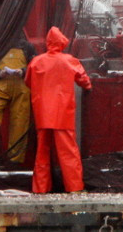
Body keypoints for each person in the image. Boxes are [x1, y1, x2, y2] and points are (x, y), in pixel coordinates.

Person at [25, 26, 92, 194]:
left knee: (42, 152)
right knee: (68, 152)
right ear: (62, 42)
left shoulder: (36, 61)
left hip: (42, 114)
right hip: (63, 114)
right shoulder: (69, 60)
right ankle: (75, 188)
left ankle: (40, 188)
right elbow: (84, 80)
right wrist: (88, 87)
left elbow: (28, 81)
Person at [0, 35, 35, 163]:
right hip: (2, 89)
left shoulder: (27, 47)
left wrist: (23, 71)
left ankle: (15, 162)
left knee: (20, 125)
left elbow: (34, 65)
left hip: (21, 91)